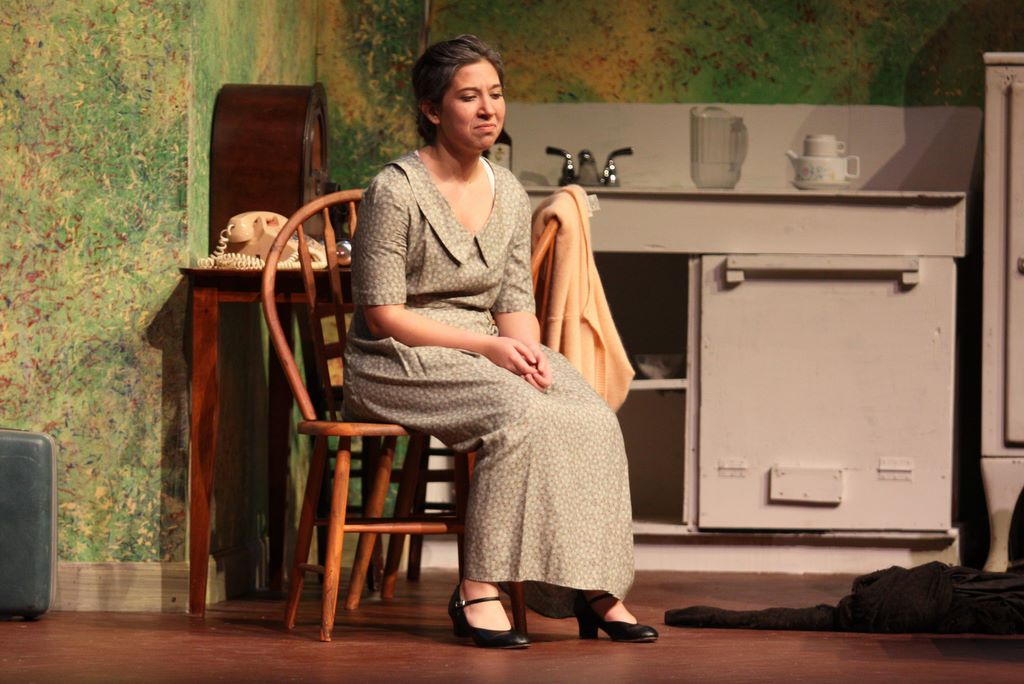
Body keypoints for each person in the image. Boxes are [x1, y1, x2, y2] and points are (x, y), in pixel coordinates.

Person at [343, 34, 658, 649]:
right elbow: (382, 315)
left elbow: (514, 303)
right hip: (399, 358)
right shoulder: (395, 189)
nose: (488, 108)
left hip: (483, 349)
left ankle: (590, 586)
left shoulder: (509, 190)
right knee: (521, 415)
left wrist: (529, 356)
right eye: (469, 97)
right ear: (432, 109)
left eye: (496, 94)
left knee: (591, 414)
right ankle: (476, 588)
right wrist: (490, 352)